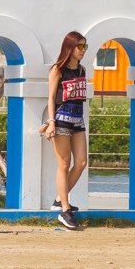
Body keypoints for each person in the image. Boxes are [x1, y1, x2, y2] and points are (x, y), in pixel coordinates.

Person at [45, 31, 88, 230]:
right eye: (79, 46)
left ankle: (58, 200)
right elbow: (51, 97)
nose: (83, 51)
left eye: (84, 47)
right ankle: (65, 209)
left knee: (81, 162)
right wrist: (51, 122)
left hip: (77, 120)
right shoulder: (58, 70)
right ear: (69, 48)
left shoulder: (82, 70)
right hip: (61, 120)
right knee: (64, 163)